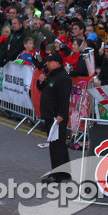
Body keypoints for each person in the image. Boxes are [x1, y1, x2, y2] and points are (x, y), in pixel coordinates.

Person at [37, 52, 71, 184]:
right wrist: (40, 82)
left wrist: (61, 114)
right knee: (59, 143)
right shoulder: (51, 74)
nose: (47, 63)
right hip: (50, 114)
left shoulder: (63, 78)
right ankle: (65, 171)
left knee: (56, 144)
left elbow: (64, 98)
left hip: (57, 116)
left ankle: (56, 175)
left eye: (49, 61)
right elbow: (43, 88)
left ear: (57, 62)